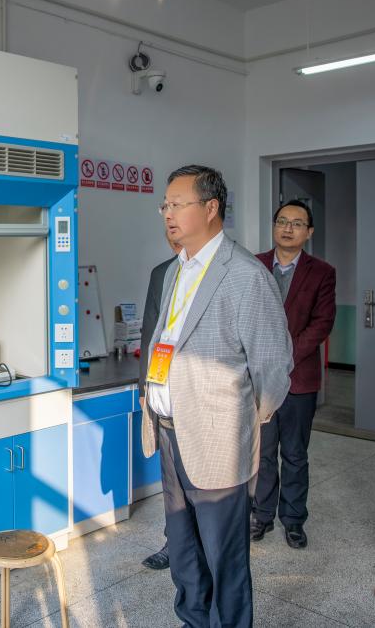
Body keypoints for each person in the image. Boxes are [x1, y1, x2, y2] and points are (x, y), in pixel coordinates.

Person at [140, 164, 292, 627]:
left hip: (216, 439)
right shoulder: (176, 270)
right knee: (184, 550)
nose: (167, 214)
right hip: (170, 432)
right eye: (164, 205)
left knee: (224, 558)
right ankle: (193, 620)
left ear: (210, 208)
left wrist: (237, 421)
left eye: (177, 204)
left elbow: (273, 367)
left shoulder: (244, 274)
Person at [252, 200, 336, 549]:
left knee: (295, 453)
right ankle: (261, 515)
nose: (288, 228)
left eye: (297, 223)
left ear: (309, 232)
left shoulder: (322, 272)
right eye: (282, 221)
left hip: (299, 377)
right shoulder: (254, 265)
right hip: (258, 377)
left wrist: (285, 356)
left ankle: (293, 519)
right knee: (263, 452)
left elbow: (322, 323)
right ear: (274, 226)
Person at [138, 231, 183, 571]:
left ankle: (208, 547)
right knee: (172, 480)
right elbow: (151, 334)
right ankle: (175, 544)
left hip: (207, 394)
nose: (173, 230)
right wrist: (146, 387)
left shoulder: (225, 270)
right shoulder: (162, 273)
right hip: (167, 393)